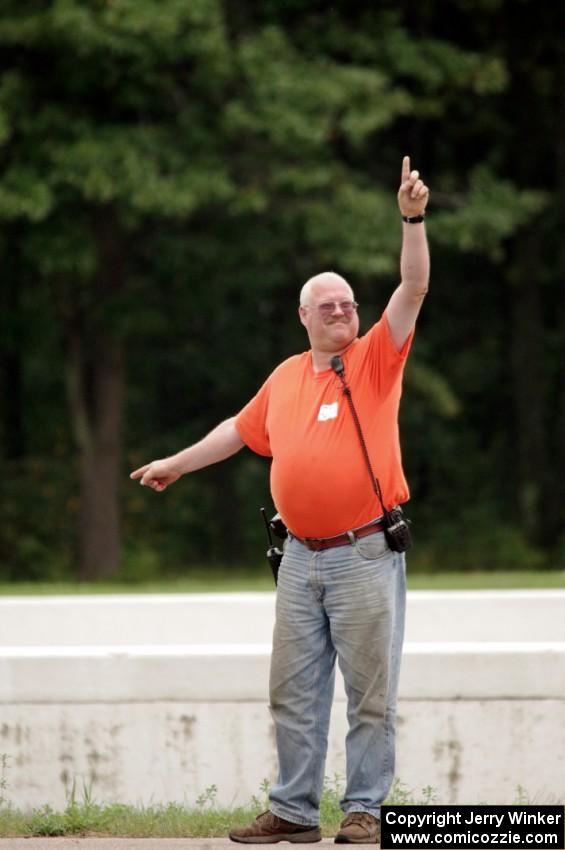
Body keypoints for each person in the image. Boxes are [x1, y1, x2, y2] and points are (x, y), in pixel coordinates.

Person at [130, 156, 430, 844]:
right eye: (326, 306)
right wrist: (176, 464)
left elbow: (412, 286)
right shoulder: (288, 375)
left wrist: (411, 219)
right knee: (291, 693)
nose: (340, 312)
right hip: (298, 558)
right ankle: (293, 813)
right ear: (302, 316)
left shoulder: (376, 360)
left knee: (369, 697)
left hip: (362, 553)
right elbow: (238, 431)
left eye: (348, 304)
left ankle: (363, 812)